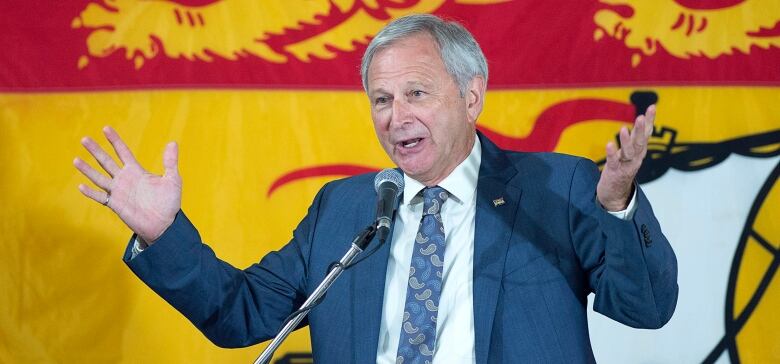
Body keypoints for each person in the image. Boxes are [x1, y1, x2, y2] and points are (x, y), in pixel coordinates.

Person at [73, 14, 677, 364]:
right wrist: (162, 234)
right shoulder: (346, 208)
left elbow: (647, 310)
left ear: (471, 97)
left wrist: (618, 206)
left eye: (416, 93)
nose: (395, 117)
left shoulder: (560, 185)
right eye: (381, 100)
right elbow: (243, 314)